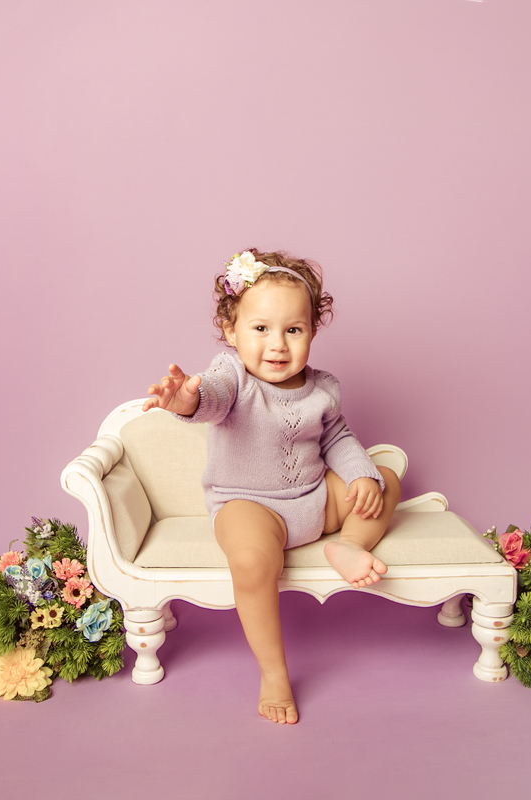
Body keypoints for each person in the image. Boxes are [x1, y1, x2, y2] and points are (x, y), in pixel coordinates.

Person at [142, 249, 402, 724]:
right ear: (231, 331)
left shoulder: (323, 387)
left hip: (314, 502)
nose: (277, 345)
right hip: (249, 505)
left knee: (384, 478)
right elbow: (211, 401)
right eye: (260, 329)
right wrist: (185, 399)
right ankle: (274, 672)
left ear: (312, 332)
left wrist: (361, 474)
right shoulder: (231, 376)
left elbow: (338, 438)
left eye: (293, 330)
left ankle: (349, 546)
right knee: (251, 559)